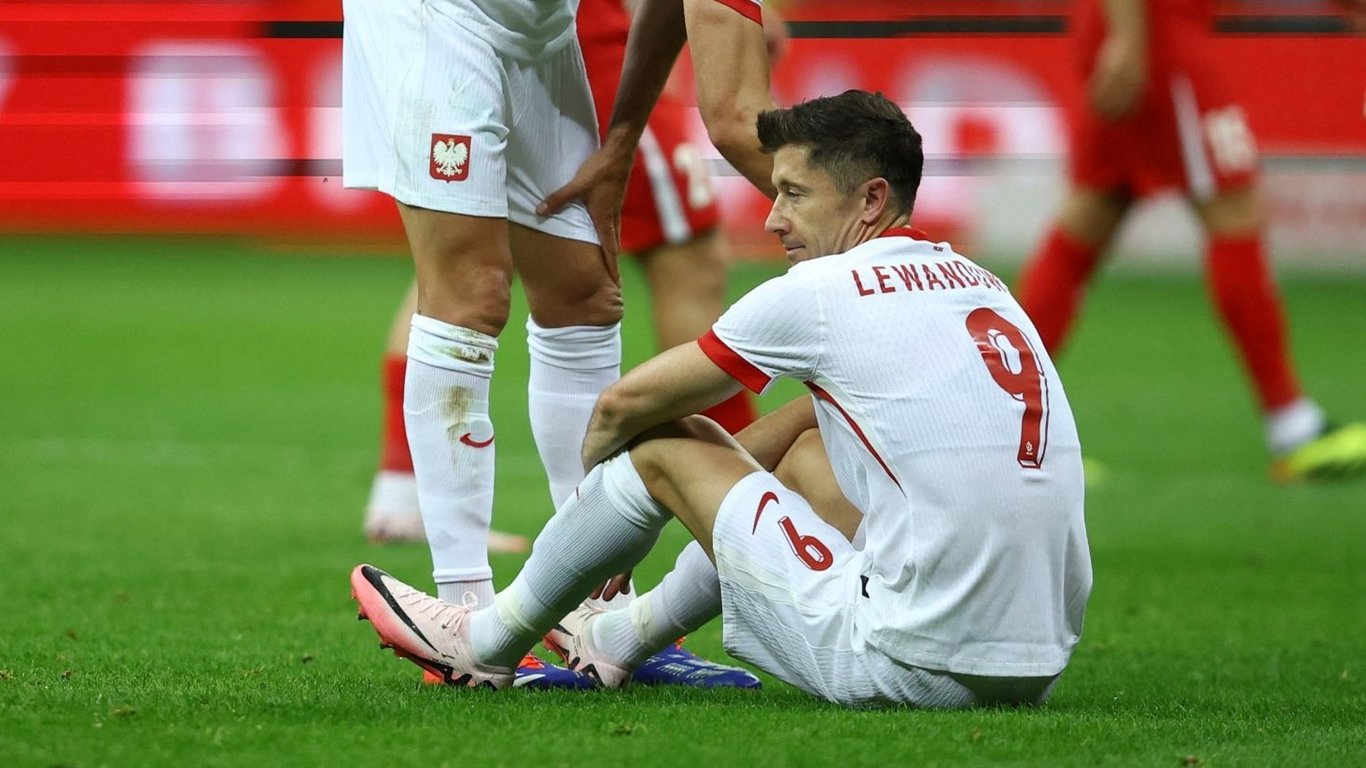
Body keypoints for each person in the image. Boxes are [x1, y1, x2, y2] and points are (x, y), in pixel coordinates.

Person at [349, 91, 1094, 708]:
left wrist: (606, 516)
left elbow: (619, 409)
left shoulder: (822, 291)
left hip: (907, 661)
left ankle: (483, 641)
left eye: (794, 194)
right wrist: (708, 488)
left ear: (871, 199)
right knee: (809, 458)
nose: (773, 219)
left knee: (661, 443)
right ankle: (616, 641)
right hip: (1035, 667)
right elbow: (815, 416)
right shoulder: (980, 283)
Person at [343, 0, 754, 688]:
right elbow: (736, 110)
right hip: (441, 15)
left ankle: (595, 609)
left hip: (544, 31)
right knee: (472, 292)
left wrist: (620, 143)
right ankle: (463, 621)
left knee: (586, 293)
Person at [1016, 0, 1366, 482]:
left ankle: (999, 421)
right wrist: (1129, 38)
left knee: (1091, 215)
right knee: (1233, 206)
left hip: (1133, 31)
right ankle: (1294, 427)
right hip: (1153, 36)